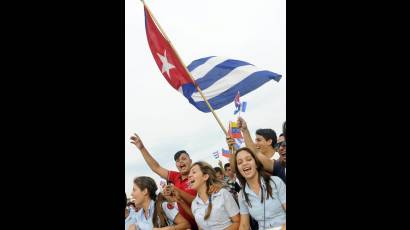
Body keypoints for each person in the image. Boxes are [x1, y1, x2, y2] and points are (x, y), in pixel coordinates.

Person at [130, 134, 198, 229]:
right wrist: (142, 148)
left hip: (203, 223)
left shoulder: (197, 176)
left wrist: (177, 191)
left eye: (184, 159)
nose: (181, 162)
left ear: (190, 161)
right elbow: (156, 167)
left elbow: (199, 200)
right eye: (177, 161)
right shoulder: (175, 176)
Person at [232, 147, 286, 230]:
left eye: (249, 159)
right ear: (238, 170)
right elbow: (244, 225)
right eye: (240, 162)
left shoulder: (275, 182)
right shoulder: (242, 195)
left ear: (256, 163)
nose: (244, 163)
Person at [189, 161, 240, 230]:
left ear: (205, 176)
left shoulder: (222, 194)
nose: (189, 175)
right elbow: (200, 228)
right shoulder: (194, 204)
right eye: (189, 173)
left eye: (194, 172)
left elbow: (238, 222)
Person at [235, 117, 286, 184]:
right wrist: (244, 130)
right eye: (280, 145)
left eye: (259, 140)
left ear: (269, 141)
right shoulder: (279, 167)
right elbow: (255, 152)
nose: (281, 148)